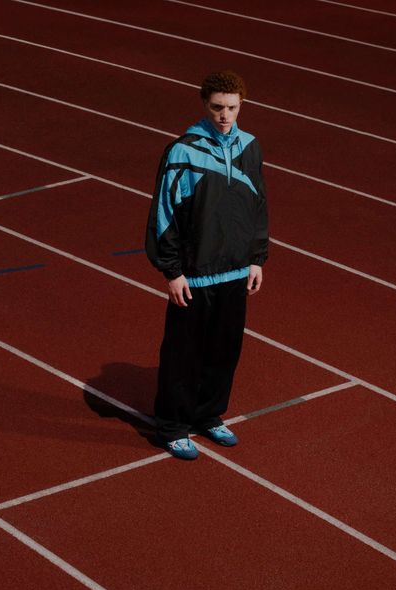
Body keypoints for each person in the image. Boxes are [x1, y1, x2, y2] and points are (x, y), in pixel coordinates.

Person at [145, 70, 268, 460]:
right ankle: (172, 425)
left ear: (241, 105)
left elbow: (258, 206)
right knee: (184, 353)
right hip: (195, 274)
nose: (224, 115)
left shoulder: (250, 147)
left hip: (235, 271)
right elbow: (164, 213)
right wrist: (173, 270)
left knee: (224, 350)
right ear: (205, 105)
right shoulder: (183, 151)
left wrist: (256, 258)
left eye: (231, 107)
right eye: (217, 107)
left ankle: (209, 414)